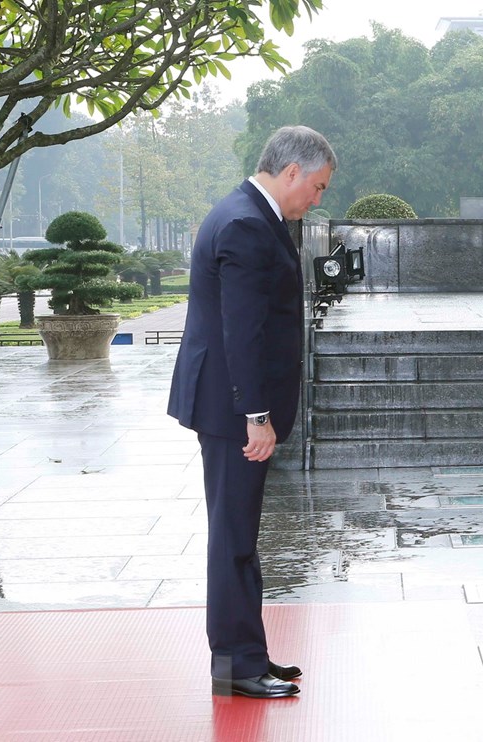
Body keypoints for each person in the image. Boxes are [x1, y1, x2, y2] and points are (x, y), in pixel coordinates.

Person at [168, 126, 336, 699]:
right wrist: (256, 415)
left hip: (228, 404)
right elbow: (241, 331)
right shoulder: (244, 223)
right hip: (232, 408)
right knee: (234, 534)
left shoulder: (250, 214)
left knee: (238, 532)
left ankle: (248, 655)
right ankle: (237, 665)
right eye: (315, 187)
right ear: (291, 173)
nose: (316, 199)